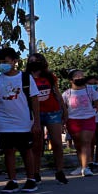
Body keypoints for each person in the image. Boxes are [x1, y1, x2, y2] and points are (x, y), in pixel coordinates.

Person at [0, 47, 42, 193]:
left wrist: (37, 122)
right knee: (8, 151)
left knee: (26, 150)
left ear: (14, 61)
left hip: (23, 122)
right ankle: (12, 181)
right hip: (4, 123)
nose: (2, 65)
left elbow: (35, 100)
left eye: (5, 61)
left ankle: (31, 179)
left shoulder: (25, 78)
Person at [26, 54, 69, 184]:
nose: (35, 63)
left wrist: (64, 110)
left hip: (52, 112)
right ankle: (36, 173)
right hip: (35, 113)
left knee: (56, 142)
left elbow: (57, 93)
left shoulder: (50, 77)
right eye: (32, 61)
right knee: (36, 146)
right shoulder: (25, 78)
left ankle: (60, 171)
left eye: (37, 61)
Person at [62, 69, 98, 176]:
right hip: (73, 121)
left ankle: (85, 167)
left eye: (81, 76)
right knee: (78, 145)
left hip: (89, 119)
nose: (80, 78)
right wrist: (62, 123)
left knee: (86, 142)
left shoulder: (91, 90)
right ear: (71, 80)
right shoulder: (66, 94)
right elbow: (63, 109)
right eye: (77, 76)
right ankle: (81, 165)